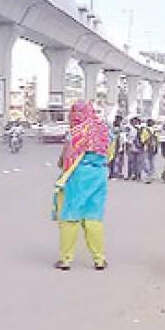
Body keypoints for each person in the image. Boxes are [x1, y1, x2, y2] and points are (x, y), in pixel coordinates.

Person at [52, 101, 111, 271]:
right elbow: (110, 153)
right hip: (99, 175)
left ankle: (66, 259)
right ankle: (99, 259)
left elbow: (65, 158)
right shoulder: (105, 130)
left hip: (78, 176)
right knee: (94, 216)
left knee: (70, 216)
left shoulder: (76, 132)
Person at [141, 119, 160, 183]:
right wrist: (146, 142)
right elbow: (143, 139)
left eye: (151, 122)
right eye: (149, 122)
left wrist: (156, 147)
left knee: (152, 161)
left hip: (153, 147)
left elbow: (157, 139)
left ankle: (151, 175)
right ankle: (147, 174)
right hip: (146, 147)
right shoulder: (145, 130)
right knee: (146, 162)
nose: (150, 123)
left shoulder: (155, 130)